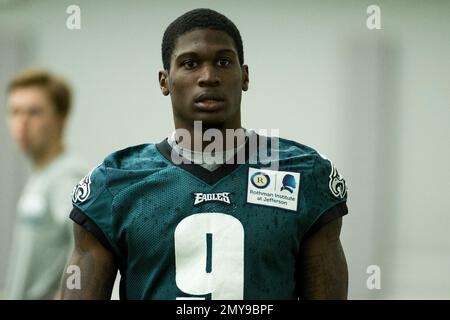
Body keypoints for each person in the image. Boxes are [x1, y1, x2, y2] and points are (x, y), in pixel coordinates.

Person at [61, 8, 349, 300]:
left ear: (245, 76)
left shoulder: (302, 174)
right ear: (164, 80)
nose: (208, 76)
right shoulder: (116, 183)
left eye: (223, 62)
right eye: (190, 64)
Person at [5, 69, 86, 299]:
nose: (22, 122)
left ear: (60, 119)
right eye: (15, 112)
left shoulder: (67, 177)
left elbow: (86, 254)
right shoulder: (41, 175)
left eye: (34, 112)